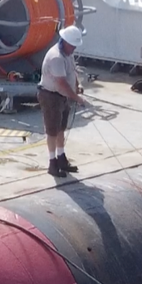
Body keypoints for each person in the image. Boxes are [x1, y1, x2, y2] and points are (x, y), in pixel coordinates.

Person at [40, 23, 85, 177]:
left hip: (62, 96)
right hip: (51, 96)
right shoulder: (56, 57)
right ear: (65, 42)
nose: (74, 48)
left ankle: (61, 158)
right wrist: (77, 98)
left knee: (61, 128)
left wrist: (77, 85)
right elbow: (61, 83)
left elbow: (72, 71)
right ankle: (52, 163)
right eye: (72, 45)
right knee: (52, 130)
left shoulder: (68, 53)